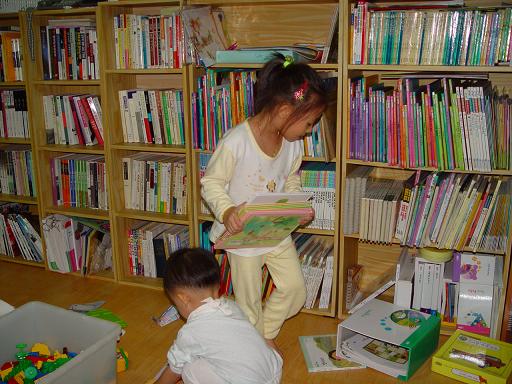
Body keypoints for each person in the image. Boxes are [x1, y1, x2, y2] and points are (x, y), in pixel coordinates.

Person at [200, 54, 328, 352]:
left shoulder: (293, 145)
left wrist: (298, 205)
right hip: (242, 235)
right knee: (249, 301)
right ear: (285, 111)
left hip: (273, 228)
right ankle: (255, 345)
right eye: (309, 123)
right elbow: (212, 182)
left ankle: (263, 332)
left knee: (296, 289)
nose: (309, 131)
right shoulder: (236, 142)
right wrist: (227, 210)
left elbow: (291, 177)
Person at [155, 247, 282, 384]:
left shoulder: (190, 333)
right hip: (274, 371)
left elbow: (174, 370)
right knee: (257, 339)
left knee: (189, 369)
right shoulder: (232, 306)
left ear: (183, 299)